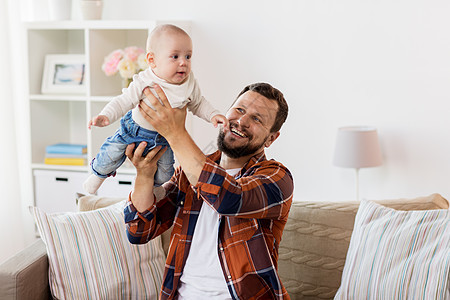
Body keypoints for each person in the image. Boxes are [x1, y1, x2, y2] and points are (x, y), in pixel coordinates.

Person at [124, 82, 294, 299]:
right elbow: (139, 230)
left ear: (271, 138)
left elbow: (229, 199)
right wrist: (145, 174)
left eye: (256, 119)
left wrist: (175, 133)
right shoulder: (189, 174)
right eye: (239, 110)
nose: (241, 121)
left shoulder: (277, 178)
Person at [83, 24, 228, 194]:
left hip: (163, 138)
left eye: (188, 56)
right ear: (151, 60)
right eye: (175, 56)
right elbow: (124, 100)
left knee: (166, 172)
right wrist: (105, 116)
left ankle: (155, 189)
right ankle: (97, 177)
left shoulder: (190, 83)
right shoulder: (145, 80)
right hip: (132, 130)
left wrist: (213, 114)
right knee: (110, 154)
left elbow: (198, 103)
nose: (183, 62)